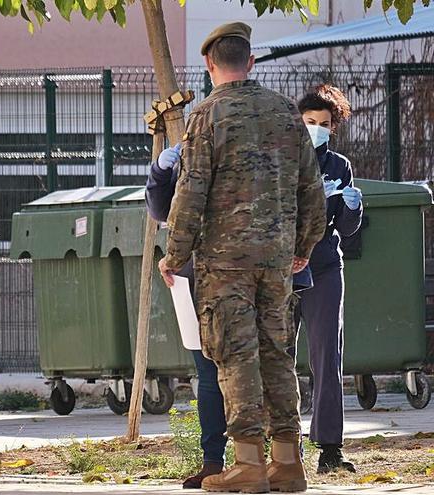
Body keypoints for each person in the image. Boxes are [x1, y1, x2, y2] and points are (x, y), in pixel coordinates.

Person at [157, 22, 327, 493]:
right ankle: (288, 463)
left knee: (235, 356)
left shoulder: (207, 117)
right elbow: (311, 188)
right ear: (250, 62)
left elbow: (190, 192)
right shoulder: (286, 114)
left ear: (211, 65)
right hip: (276, 260)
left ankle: (249, 465)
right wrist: (303, 247)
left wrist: (175, 254)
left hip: (225, 262)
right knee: (278, 353)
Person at [148, 147, 314, 489]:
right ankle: (239, 462)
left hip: (223, 276)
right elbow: (164, 208)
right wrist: (163, 171)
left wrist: (174, 257)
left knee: (255, 369)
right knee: (222, 372)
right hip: (231, 274)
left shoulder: (247, 154)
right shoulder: (255, 149)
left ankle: (261, 462)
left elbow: (183, 214)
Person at [296, 84, 363, 474]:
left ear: (333, 127)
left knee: (327, 356)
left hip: (323, 265)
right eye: (309, 122)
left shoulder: (339, 165)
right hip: (285, 267)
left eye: (323, 124)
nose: (316, 129)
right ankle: (282, 443)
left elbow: (347, 227)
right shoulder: (282, 158)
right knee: (278, 357)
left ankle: (329, 449)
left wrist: (353, 206)